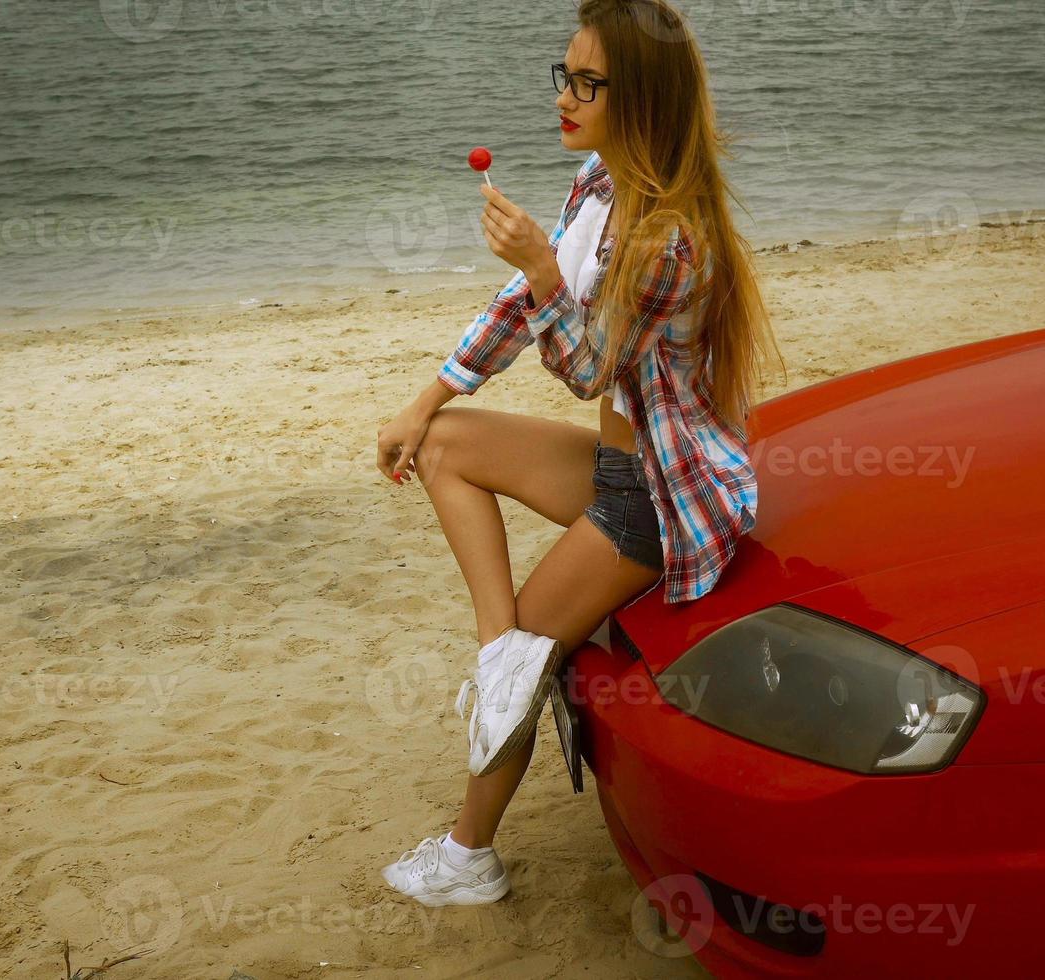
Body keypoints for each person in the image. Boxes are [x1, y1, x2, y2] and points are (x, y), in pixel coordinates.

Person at [374, 0, 785, 906]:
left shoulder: (672, 236)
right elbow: (523, 312)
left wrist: (542, 270)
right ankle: (501, 650)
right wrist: (427, 394)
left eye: (589, 83)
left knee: (531, 648)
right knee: (443, 444)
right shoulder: (601, 183)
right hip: (615, 468)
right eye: (563, 74)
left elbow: (589, 364)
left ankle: (468, 856)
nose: (566, 97)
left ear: (639, 96)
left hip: (656, 499)